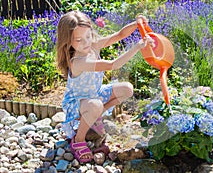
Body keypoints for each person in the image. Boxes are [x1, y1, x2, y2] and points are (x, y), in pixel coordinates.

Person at [56, 10, 154, 163]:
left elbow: (119, 35)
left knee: (127, 89)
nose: (86, 42)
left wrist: (136, 25)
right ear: (68, 41)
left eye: (88, 36)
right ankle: (78, 139)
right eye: (79, 40)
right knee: (94, 104)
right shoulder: (78, 61)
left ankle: (96, 114)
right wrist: (136, 48)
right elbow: (112, 65)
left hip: (95, 94)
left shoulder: (93, 45)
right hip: (77, 103)